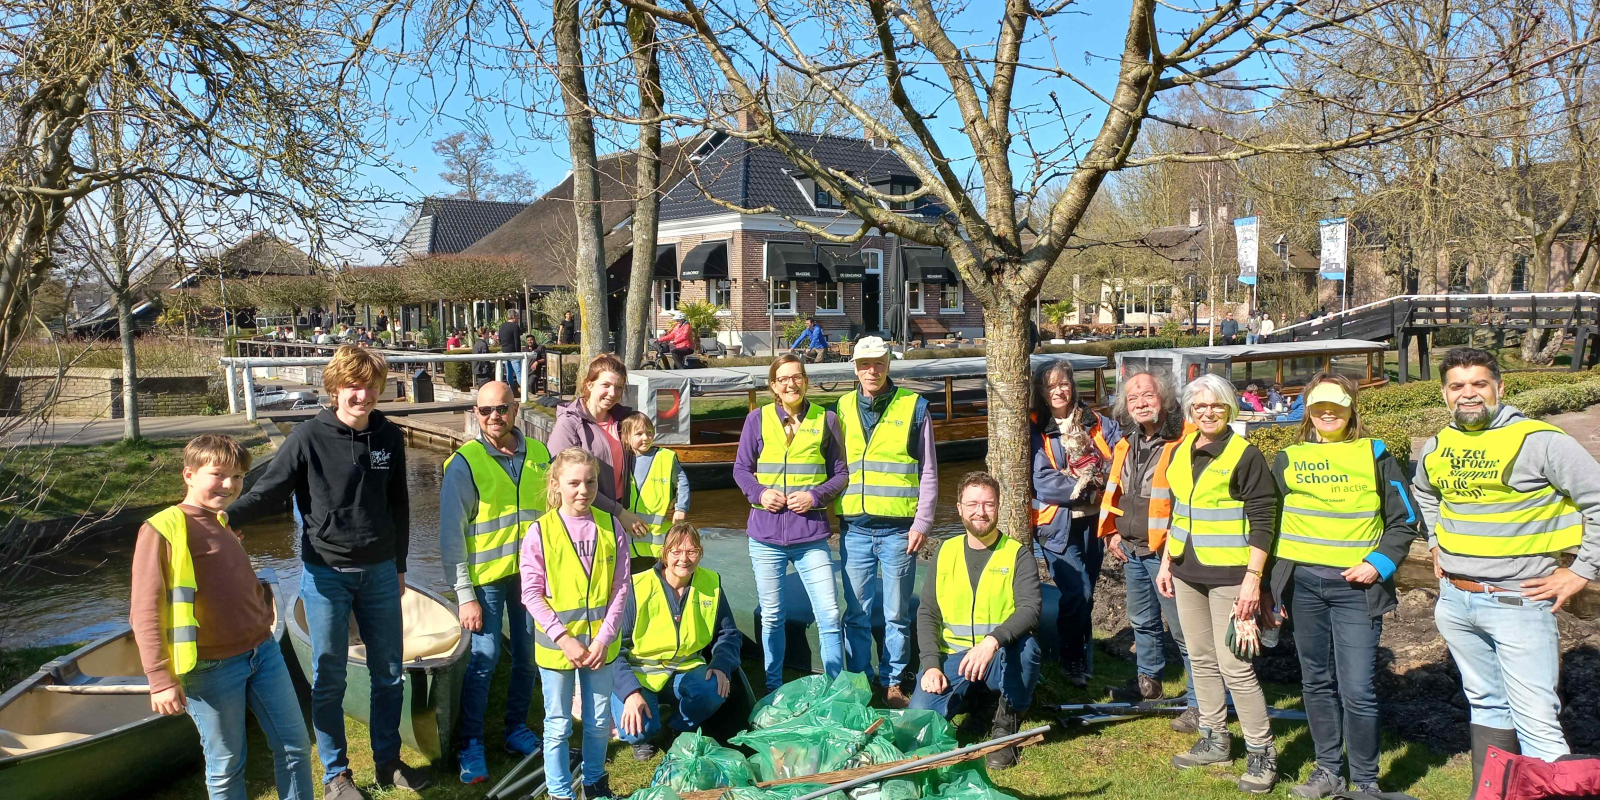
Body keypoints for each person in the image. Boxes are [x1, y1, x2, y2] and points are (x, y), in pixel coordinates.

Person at [227, 346, 430, 799]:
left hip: (379, 573)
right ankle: (337, 774)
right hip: (326, 574)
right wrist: (221, 519)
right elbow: (268, 491)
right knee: (328, 676)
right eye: (353, 386)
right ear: (335, 389)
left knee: (389, 672)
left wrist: (398, 565)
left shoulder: (388, 437)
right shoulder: (307, 438)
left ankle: (387, 761)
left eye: (371, 386)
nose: (363, 395)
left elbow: (399, 505)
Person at [1413, 347, 1600, 790]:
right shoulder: (1439, 444)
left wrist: (1582, 570)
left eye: (1479, 383)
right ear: (1444, 394)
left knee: (1536, 721)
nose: (1468, 394)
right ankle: (1492, 793)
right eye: (1457, 386)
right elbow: (1424, 492)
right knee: (1486, 705)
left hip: (1518, 601)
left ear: (1500, 387)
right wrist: (1438, 540)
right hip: (1457, 601)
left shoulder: (1542, 441)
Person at [131, 434, 313, 800]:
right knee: (227, 765)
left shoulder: (222, 520)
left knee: (294, 746)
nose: (230, 485)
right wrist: (159, 678)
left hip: (264, 653)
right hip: (210, 667)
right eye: (218, 475)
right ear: (189, 475)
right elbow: (145, 610)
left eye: (238, 477)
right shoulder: (162, 529)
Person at [1268, 374, 1420, 798]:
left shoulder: (1375, 454)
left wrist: (1379, 564)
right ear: (1309, 411)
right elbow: (1267, 520)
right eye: (1319, 407)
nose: (1328, 413)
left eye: (1336, 405)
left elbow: (1405, 519)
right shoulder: (1289, 457)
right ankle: (1328, 772)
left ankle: (1366, 782)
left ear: (1351, 408)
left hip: (1357, 591)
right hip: (1304, 587)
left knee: (1357, 688)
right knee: (1315, 682)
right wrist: (1267, 586)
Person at [1156, 373, 1279, 794]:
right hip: (1187, 571)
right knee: (1201, 659)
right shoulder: (1183, 450)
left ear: (1230, 408)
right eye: (1200, 406)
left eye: (1216, 405)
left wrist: (1253, 581)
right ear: (1190, 412)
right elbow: (1180, 510)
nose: (1208, 412)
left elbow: (1264, 520)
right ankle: (1214, 738)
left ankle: (1262, 751)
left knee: (1235, 666)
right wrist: (1167, 562)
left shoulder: (1245, 455)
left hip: (1231, 575)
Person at [439, 382, 552, 784]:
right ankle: (470, 743)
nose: (494, 417)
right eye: (485, 410)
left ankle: (515, 730)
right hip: (485, 582)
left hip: (531, 580)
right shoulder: (465, 463)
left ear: (515, 408)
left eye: (501, 408)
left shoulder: (539, 454)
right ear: (475, 411)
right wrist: (464, 595)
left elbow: (554, 514)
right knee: (483, 661)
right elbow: (451, 536)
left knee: (526, 658)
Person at [733, 354, 849, 692]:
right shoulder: (757, 419)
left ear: (806, 381)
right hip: (765, 536)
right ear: (773, 386)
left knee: (828, 614)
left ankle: (834, 688)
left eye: (797, 377)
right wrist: (760, 493)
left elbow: (840, 473)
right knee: (771, 616)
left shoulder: (826, 420)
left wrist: (815, 497)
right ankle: (772, 687)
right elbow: (741, 469)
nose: (791, 384)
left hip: (811, 536)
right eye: (783, 379)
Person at [911, 472, 1042, 771]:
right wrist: (930, 664)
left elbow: (1030, 609)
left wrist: (991, 642)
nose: (980, 512)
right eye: (972, 504)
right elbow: (928, 612)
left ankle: (1006, 723)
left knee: (1028, 647)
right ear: (958, 508)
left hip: (997, 657)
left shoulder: (1016, 554)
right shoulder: (946, 551)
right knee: (918, 720)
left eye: (988, 504)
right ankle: (977, 704)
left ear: (998, 507)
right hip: (954, 659)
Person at [520, 447, 630, 800]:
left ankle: (595, 782)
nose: (583, 490)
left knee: (599, 722)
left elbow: (621, 586)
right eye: (574, 483)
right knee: (558, 725)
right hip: (557, 650)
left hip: (601, 648)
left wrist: (603, 638)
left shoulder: (611, 525)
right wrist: (564, 638)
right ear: (556, 485)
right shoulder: (540, 531)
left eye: (591, 482)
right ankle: (560, 792)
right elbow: (531, 593)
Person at [835, 336, 938, 707]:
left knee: (896, 613)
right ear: (855, 368)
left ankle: (894, 681)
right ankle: (861, 681)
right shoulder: (842, 408)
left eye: (878, 363)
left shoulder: (914, 407)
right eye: (864, 364)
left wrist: (922, 523)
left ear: (888, 364)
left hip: (898, 530)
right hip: (856, 529)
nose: (871, 370)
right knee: (857, 612)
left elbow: (928, 471)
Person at [1096, 370, 1200, 730]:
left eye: (1148, 395)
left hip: (1169, 553)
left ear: (1165, 398)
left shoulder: (1184, 441)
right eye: (1133, 398)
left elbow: (1188, 503)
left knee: (1184, 629)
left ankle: (1201, 701)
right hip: (1133, 548)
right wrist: (1112, 532)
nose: (1140, 403)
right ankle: (1149, 682)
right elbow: (1118, 490)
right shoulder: (1127, 441)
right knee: (1142, 620)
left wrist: (1170, 556)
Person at [612, 523, 743, 760]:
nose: (684, 559)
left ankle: (679, 726)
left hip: (686, 668)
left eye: (692, 552)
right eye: (676, 552)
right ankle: (645, 734)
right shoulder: (636, 587)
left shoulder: (711, 584)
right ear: (664, 554)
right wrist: (629, 691)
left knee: (714, 690)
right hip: (640, 672)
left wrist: (721, 664)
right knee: (637, 731)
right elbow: (613, 648)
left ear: (700, 553)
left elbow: (728, 633)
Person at [1030, 360, 1118, 688]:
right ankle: (1070, 658)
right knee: (1076, 590)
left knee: (1088, 592)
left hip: (1095, 523)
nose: (1058, 391)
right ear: (1040, 390)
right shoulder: (1035, 429)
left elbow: (1117, 464)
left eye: (1063, 384)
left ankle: (1084, 654)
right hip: (1056, 525)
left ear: (1073, 386)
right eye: (1050, 386)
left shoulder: (1098, 423)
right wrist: (1088, 487)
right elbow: (1043, 483)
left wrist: (1095, 479)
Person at [547, 353, 653, 539]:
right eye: (606, 385)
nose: (612, 393)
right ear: (589, 384)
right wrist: (618, 512)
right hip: (587, 519)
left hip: (623, 515)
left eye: (619, 387)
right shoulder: (569, 424)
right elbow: (564, 481)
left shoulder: (625, 421)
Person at [621, 412, 689, 570]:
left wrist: (681, 508)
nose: (646, 437)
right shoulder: (621, 458)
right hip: (628, 544)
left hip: (657, 544)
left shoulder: (666, 457)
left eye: (649, 432)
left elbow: (682, 482)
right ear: (626, 437)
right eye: (639, 434)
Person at [499, 309, 525, 387]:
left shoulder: (502, 326)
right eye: (517, 316)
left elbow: (500, 339)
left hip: (505, 351)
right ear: (514, 316)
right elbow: (517, 341)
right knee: (518, 372)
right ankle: (524, 389)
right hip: (514, 352)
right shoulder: (515, 326)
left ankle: (512, 388)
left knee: (509, 372)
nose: (518, 318)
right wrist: (518, 353)